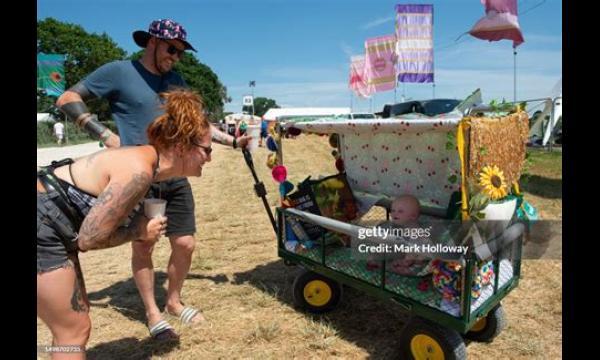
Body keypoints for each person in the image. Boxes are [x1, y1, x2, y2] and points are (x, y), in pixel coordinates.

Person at [55, 18, 250, 340]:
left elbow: (198, 123)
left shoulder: (176, 80)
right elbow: (67, 99)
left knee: (185, 243)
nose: (176, 56)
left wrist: (232, 142)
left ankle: (174, 300)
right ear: (152, 43)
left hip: (174, 172)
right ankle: (152, 312)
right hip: (139, 176)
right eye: (172, 49)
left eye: (181, 52)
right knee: (144, 245)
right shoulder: (118, 71)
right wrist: (104, 133)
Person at [38, 89, 213, 356]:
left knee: (75, 327)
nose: (209, 158)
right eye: (206, 150)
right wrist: (138, 231)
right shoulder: (139, 171)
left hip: (52, 224)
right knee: (72, 329)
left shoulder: (146, 164)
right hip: (44, 223)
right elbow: (89, 239)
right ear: (181, 147)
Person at [384, 195, 431, 276]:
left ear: (412, 216)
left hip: (420, 260)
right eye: (393, 210)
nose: (394, 214)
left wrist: (406, 261)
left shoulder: (416, 232)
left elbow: (416, 251)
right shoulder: (399, 228)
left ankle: (410, 270)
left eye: (400, 211)